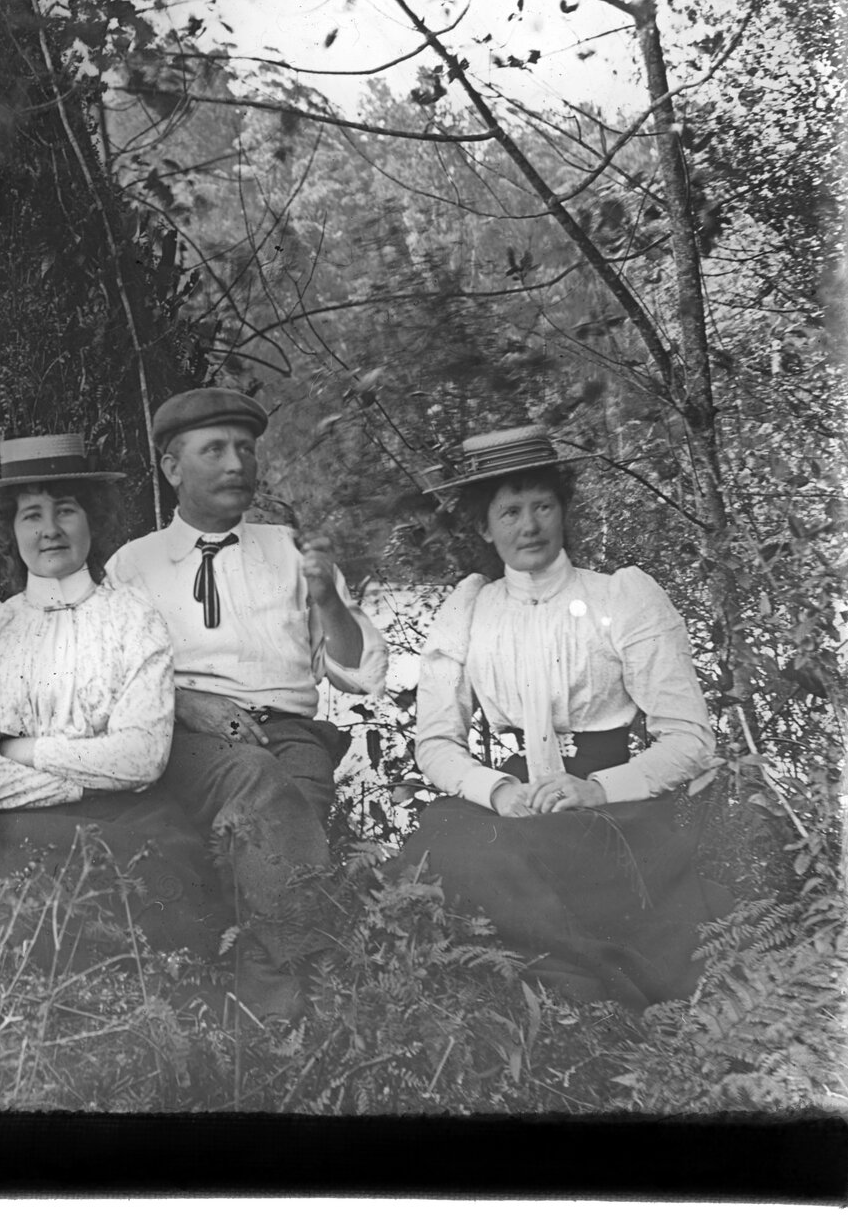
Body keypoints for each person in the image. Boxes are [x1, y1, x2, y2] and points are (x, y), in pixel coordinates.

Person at [401, 423, 729, 1009]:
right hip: (516, 803)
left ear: (563, 508)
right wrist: (496, 789)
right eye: (509, 512)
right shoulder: (470, 609)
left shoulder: (619, 596)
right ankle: (550, 994)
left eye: (542, 506)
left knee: (552, 856)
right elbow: (435, 743)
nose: (529, 526)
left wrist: (599, 790)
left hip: (612, 805)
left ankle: (590, 991)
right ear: (483, 525)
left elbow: (690, 740)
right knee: (445, 839)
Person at [106, 388, 388, 1021]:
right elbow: (111, 682)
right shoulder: (134, 566)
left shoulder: (290, 551)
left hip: (290, 734)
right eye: (215, 450)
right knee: (264, 792)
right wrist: (186, 702)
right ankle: (305, 1005)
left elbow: (356, 673)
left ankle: (262, 1023)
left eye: (245, 449)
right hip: (189, 742)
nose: (237, 464)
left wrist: (329, 600)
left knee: (288, 820)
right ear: (173, 468)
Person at [0, 432, 224, 956]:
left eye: (66, 510)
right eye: (31, 515)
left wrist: (24, 751)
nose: (50, 530)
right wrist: (85, 783)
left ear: (92, 519)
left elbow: (141, 760)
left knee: (170, 872)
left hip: (137, 818)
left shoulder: (132, 618)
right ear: (11, 530)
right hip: (22, 823)